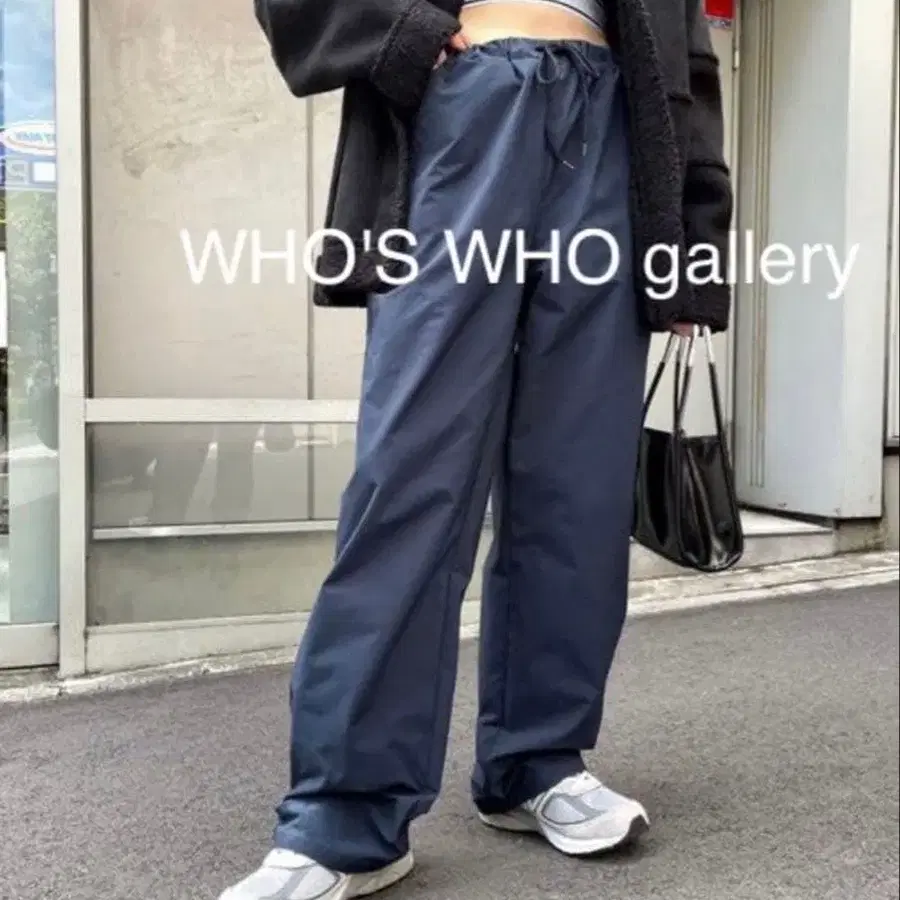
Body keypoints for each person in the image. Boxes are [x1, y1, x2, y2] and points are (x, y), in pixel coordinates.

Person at [220, 0, 733, 897]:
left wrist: (692, 251)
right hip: (470, 102)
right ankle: (347, 815)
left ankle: (536, 761)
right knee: (413, 477)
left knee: (578, 487)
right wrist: (398, 31)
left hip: (613, 125)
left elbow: (687, 63)